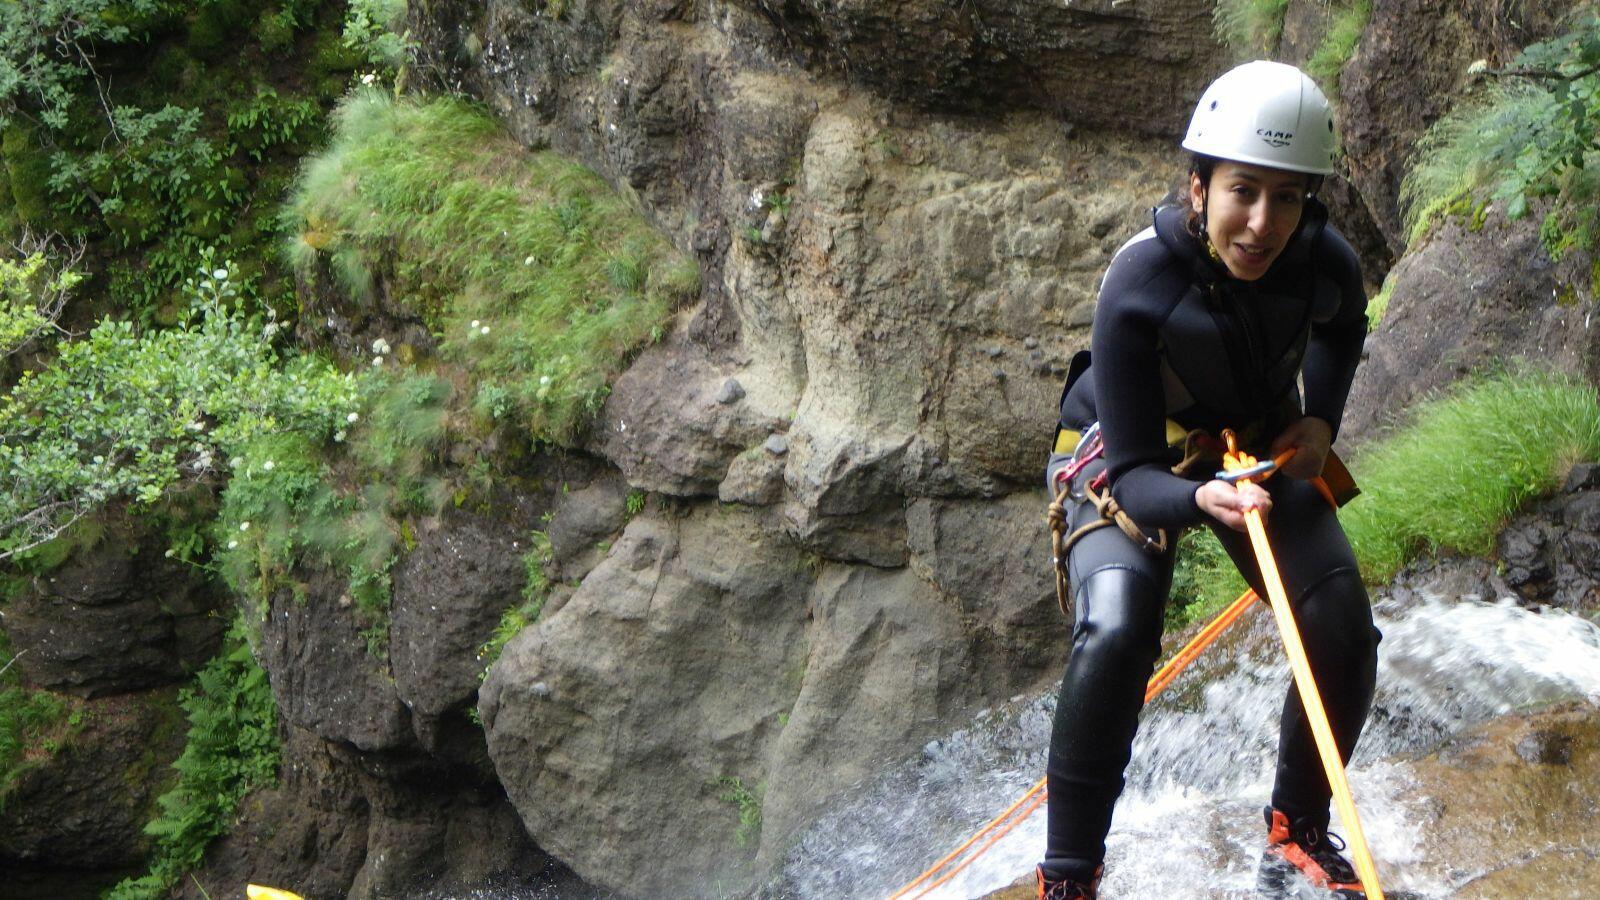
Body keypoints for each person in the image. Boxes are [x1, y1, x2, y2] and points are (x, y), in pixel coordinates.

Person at [1036, 61, 1381, 899]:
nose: (1262, 224)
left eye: (1286, 198)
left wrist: (1322, 421)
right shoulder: (1140, 285)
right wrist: (1199, 499)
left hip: (1254, 445)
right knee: (1117, 629)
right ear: (1199, 187)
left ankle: (1297, 831)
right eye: (1242, 192)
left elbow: (1345, 327)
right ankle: (1070, 876)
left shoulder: (1320, 260)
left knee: (1338, 620)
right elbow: (1134, 478)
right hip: (1121, 453)